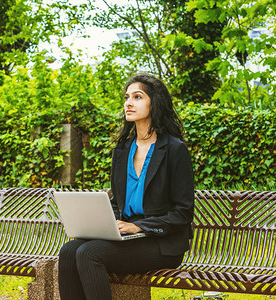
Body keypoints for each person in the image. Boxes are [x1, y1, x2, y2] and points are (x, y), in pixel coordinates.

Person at [58, 74, 195, 300]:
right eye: (127, 97)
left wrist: (138, 227)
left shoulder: (174, 149)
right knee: (69, 251)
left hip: (161, 243)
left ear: (155, 102)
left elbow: (182, 213)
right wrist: (105, 224)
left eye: (137, 97)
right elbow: (118, 202)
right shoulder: (122, 149)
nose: (128, 103)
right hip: (128, 239)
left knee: (88, 254)